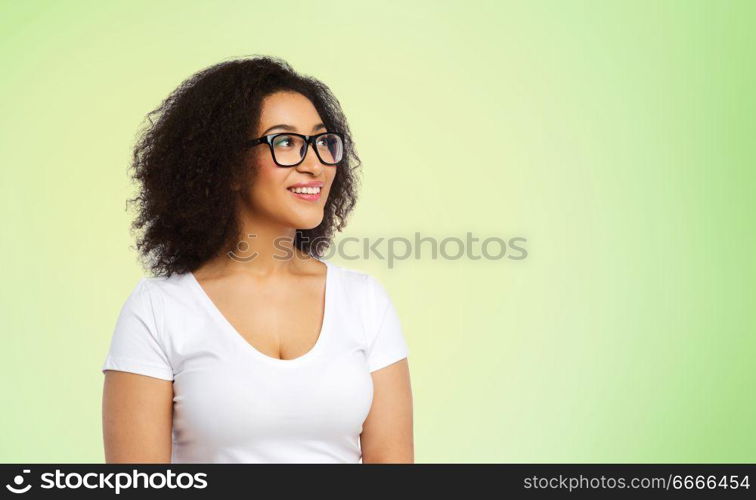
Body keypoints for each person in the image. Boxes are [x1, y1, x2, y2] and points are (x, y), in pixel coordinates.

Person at [101, 56, 413, 463]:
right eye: (285, 142)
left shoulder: (364, 300)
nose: (314, 163)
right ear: (226, 166)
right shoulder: (159, 309)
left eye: (322, 141)